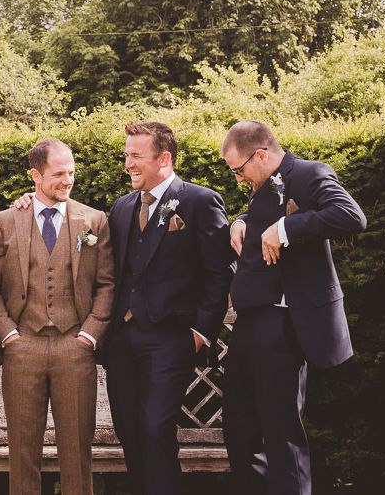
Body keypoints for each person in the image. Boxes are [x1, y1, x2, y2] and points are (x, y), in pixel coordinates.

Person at [220, 119, 367, 494]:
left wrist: (287, 228)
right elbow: (266, 218)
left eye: (239, 170)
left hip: (282, 323)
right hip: (249, 322)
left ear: (262, 154)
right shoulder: (262, 184)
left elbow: (351, 216)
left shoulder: (308, 174)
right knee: (239, 427)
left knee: (281, 430)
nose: (238, 179)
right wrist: (242, 221)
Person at [105, 122, 234, 495]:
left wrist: (200, 333)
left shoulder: (199, 201)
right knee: (129, 429)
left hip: (171, 338)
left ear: (164, 158)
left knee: (155, 428)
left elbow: (217, 272)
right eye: (127, 155)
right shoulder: (122, 207)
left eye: (136, 156)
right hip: (124, 340)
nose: (129, 163)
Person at [0, 138, 114, 495]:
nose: (67, 180)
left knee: (78, 451)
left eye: (71, 172)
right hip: (23, 348)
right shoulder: (5, 221)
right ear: (35, 176)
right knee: (22, 452)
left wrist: (89, 335)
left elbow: (107, 284)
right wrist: (8, 333)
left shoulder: (94, 220)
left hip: (75, 347)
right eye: (58, 174)